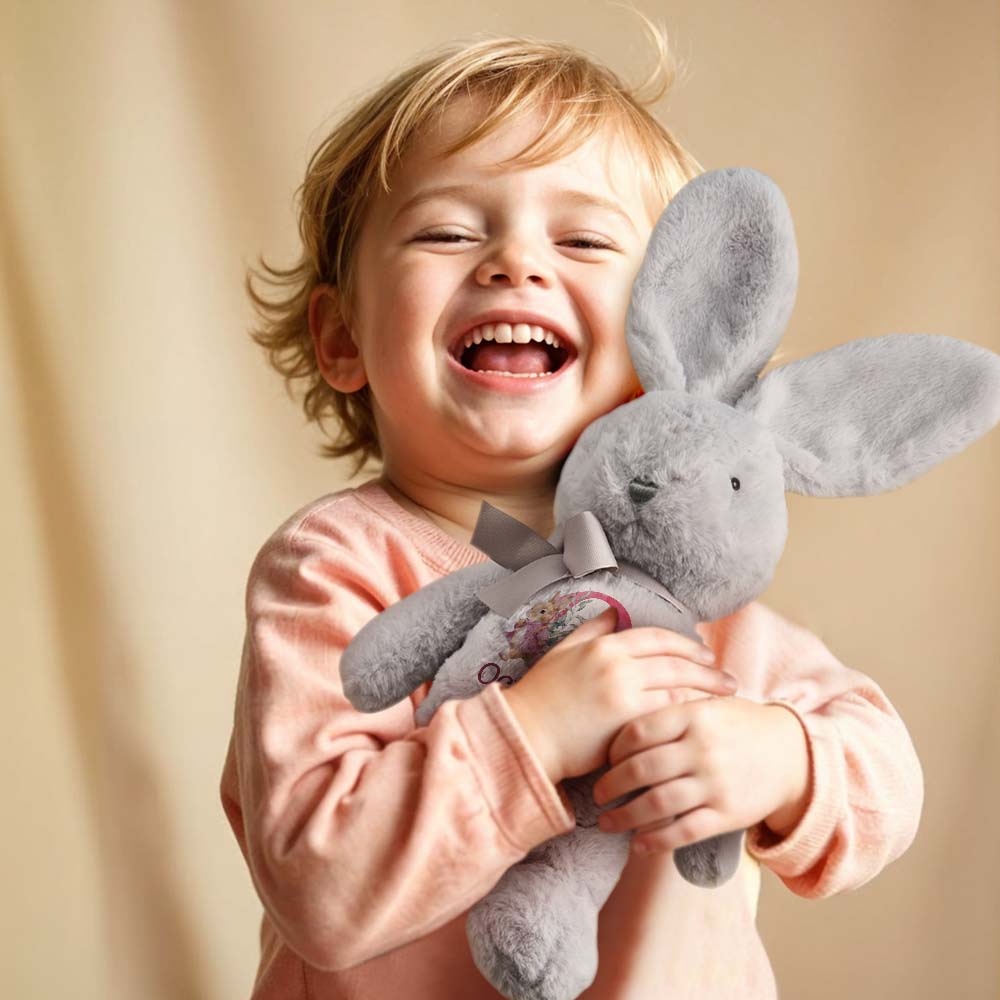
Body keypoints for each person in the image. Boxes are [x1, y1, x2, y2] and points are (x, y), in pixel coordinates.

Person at [219, 24, 924, 1000]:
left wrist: (782, 757)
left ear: (659, 350)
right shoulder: (333, 566)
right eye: (447, 230)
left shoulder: (692, 594)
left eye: (583, 239)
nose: (514, 261)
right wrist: (537, 729)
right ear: (343, 337)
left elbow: (882, 768)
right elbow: (317, 880)